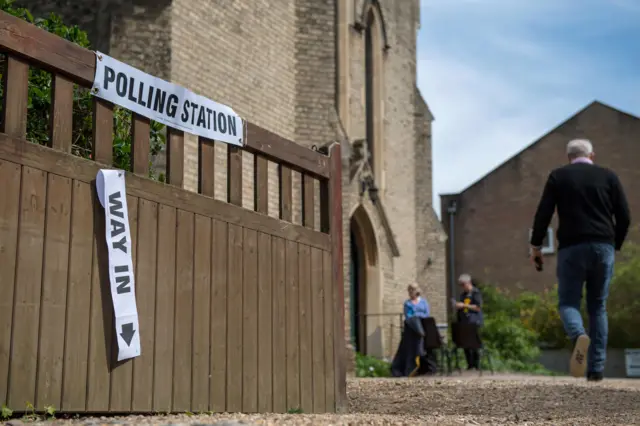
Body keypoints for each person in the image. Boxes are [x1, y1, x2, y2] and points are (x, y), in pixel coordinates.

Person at [530, 138, 630, 381]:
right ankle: (596, 370)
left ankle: (578, 335)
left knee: (568, 303)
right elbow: (624, 216)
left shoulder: (558, 177)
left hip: (572, 248)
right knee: (598, 307)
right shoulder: (609, 176)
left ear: (568, 157)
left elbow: (543, 213)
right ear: (592, 155)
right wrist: (613, 244)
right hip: (602, 247)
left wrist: (536, 246)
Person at [391, 284, 435, 377]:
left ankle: (425, 367)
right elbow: (409, 316)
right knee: (414, 320)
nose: (411, 292)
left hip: (423, 325)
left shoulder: (423, 302)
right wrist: (418, 316)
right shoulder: (408, 303)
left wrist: (417, 315)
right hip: (412, 329)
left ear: (417, 291)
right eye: (409, 290)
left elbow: (426, 314)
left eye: (413, 289)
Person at [455, 274, 483, 370]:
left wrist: (464, 306)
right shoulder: (463, 295)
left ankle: (476, 365)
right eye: (461, 285)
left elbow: (477, 307)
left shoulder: (475, 293)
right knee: (466, 344)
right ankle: (469, 365)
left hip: (474, 321)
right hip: (465, 322)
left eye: (463, 285)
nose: (462, 287)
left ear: (468, 283)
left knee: (474, 344)